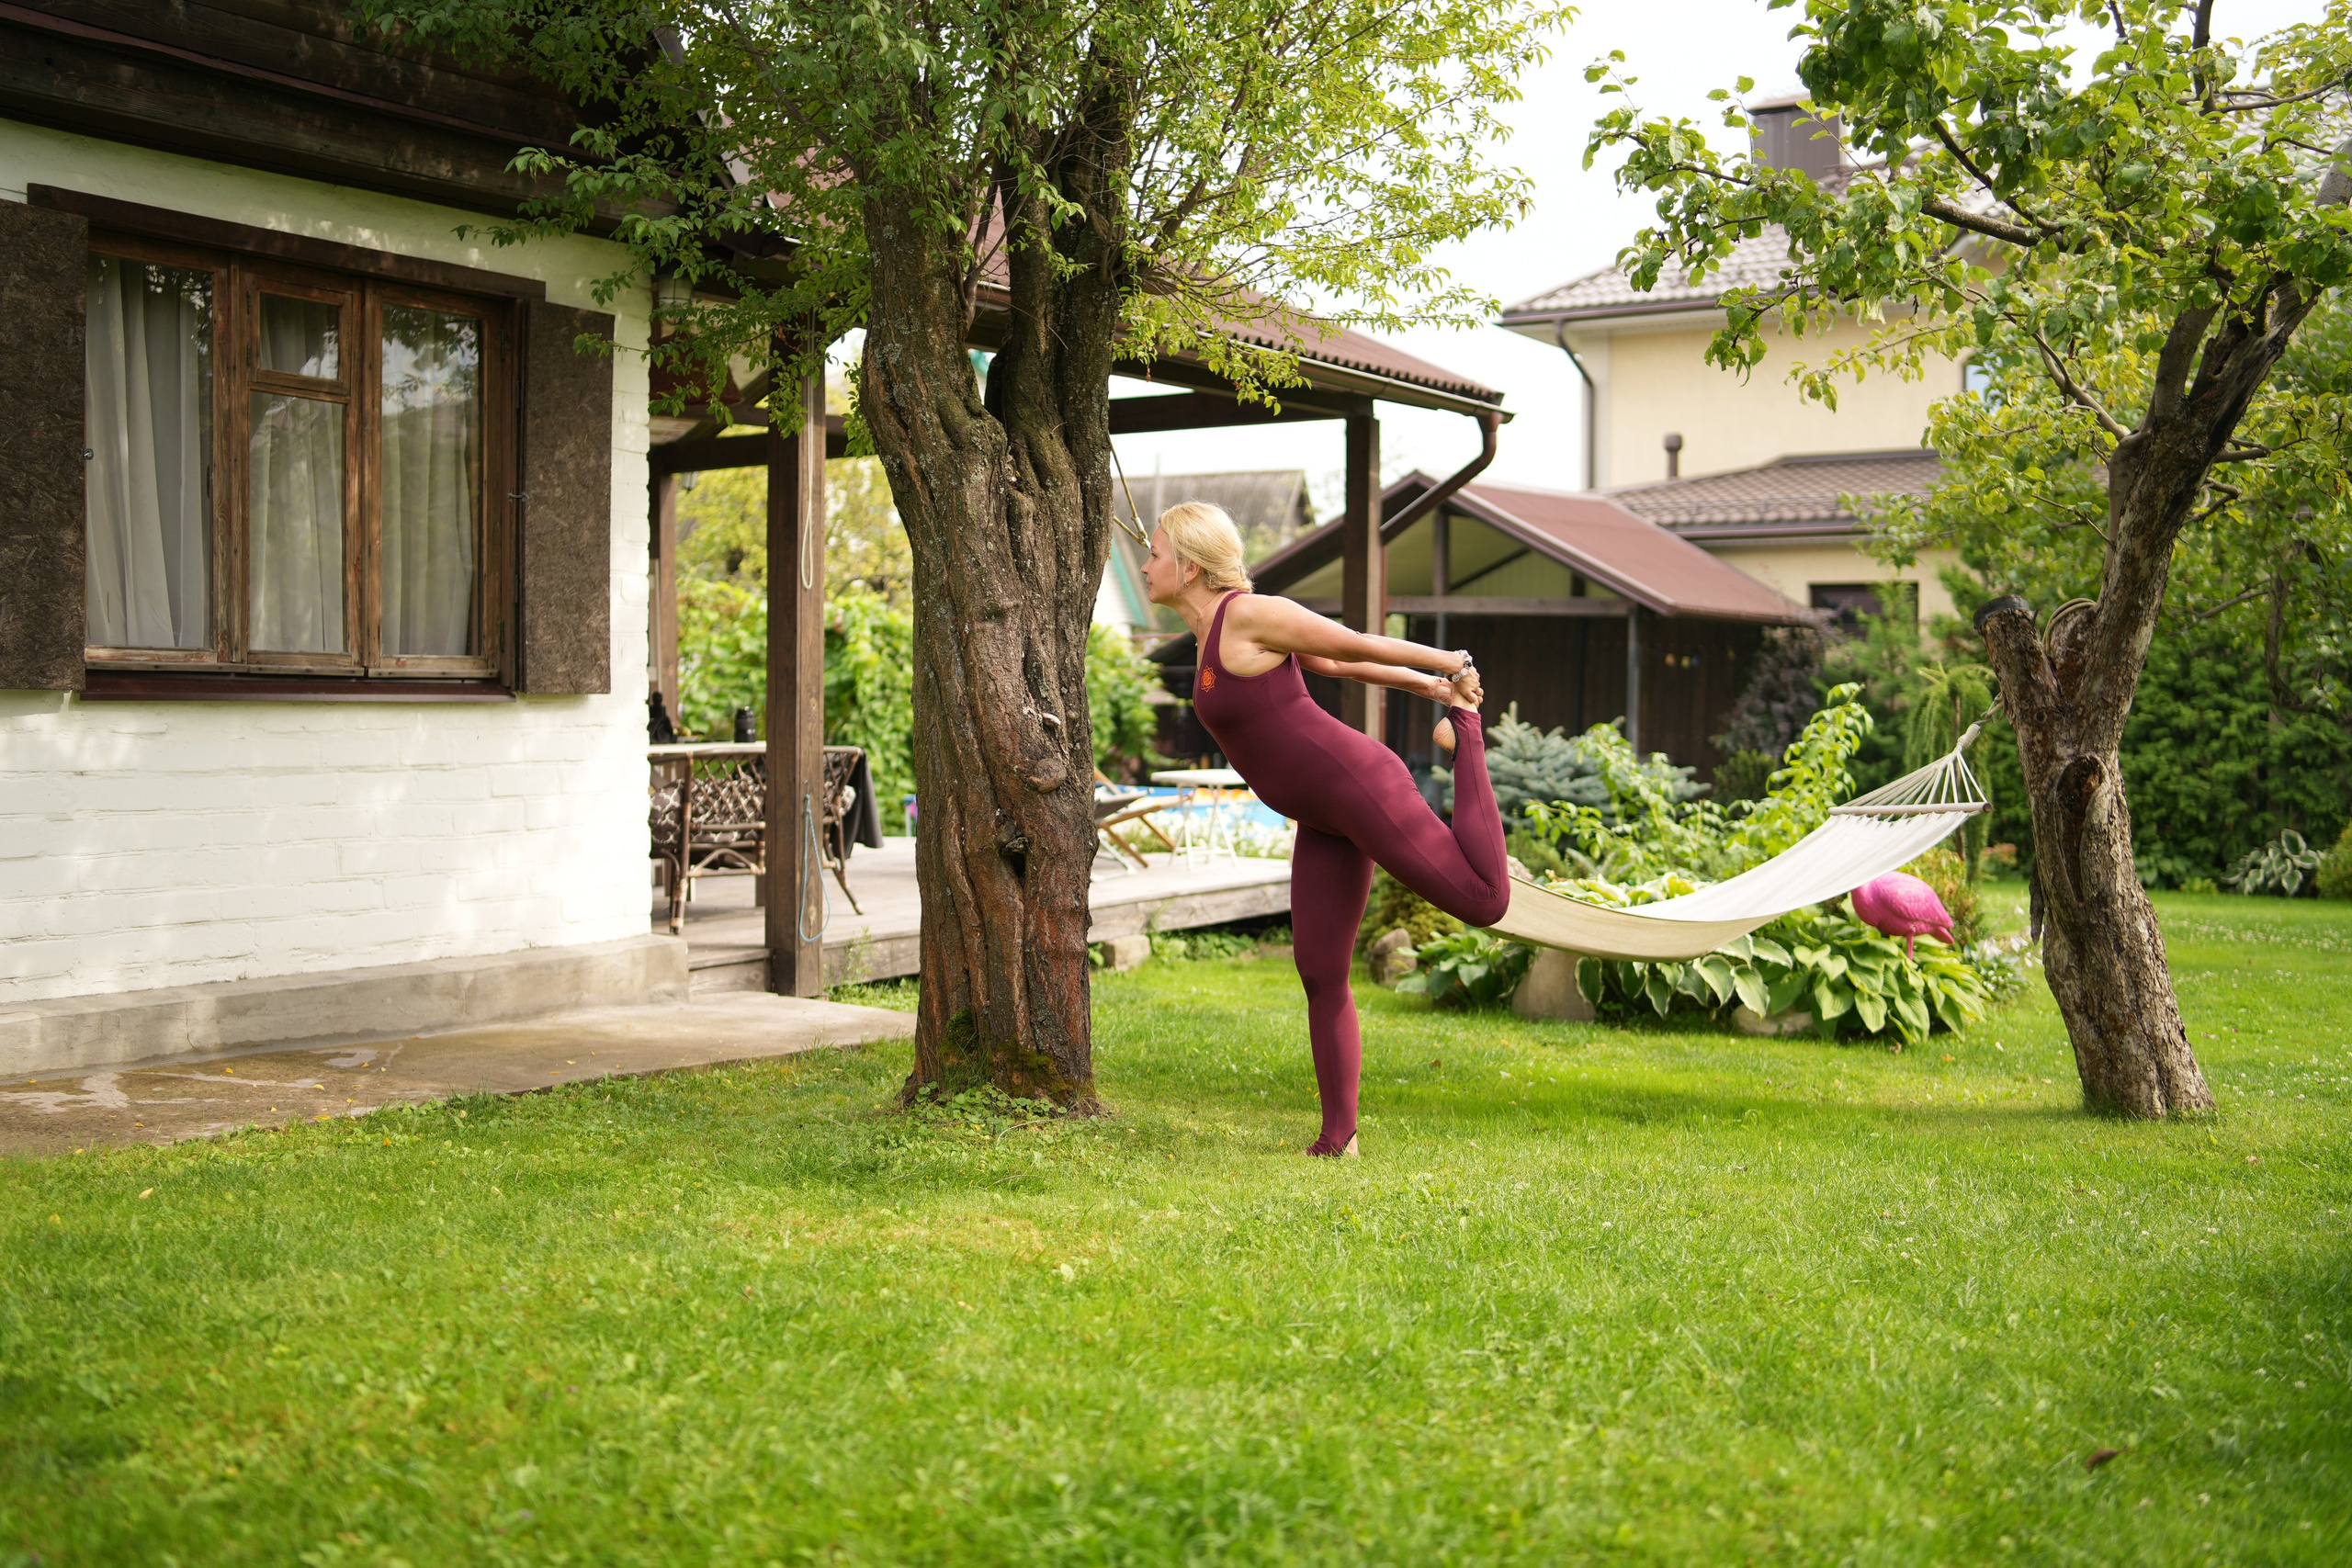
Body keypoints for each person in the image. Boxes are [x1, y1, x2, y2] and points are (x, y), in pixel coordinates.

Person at [1142, 501, 1510, 1157]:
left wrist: (1450, 664)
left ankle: (1469, 735)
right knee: (1319, 968)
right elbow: (1337, 669)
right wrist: (1427, 688)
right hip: (1321, 817)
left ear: (1190, 567)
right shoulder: (1206, 637)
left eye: (1154, 553)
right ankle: (1339, 1137)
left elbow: (1351, 644)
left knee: (1485, 900)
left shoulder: (1248, 614)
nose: (1145, 566)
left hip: (1359, 786)